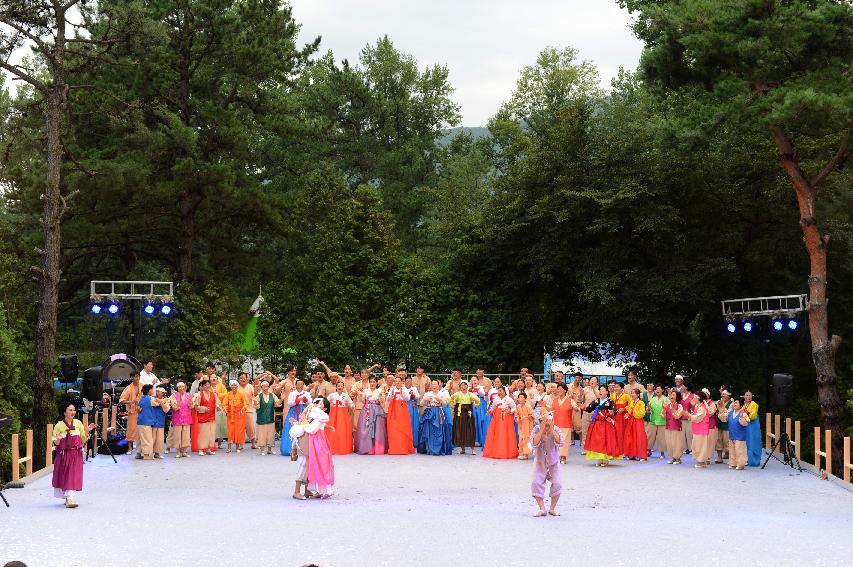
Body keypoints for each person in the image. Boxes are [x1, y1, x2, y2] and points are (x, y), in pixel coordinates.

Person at [52, 402, 97, 508]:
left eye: (74, 410)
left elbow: (83, 438)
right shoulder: (59, 425)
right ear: (64, 412)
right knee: (65, 474)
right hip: (64, 454)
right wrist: (58, 440)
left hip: (76, 453)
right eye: (70, 410)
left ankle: (70, 497)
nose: (73, 412)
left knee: (73, 474)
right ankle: (68, 497)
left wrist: (87, 431)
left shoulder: (78, 423)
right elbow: (55, 442)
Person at [290, 399, 335, 499]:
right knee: (303, 465)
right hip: (305, 442)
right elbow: (309, 427)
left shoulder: (318, 416)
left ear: (324, 408)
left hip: (311, 443)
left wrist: (303, 422)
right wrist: (301, 422)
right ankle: (296, 491)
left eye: (320, 403)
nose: (316, 405)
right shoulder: (313, 415)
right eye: (316, 403)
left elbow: (314, 426)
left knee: (309, 465)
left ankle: (307, 490)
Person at [530, 412, 564, 517]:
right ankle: (542, 509)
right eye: (545, 421)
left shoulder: (556, 429)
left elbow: (561, 442)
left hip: (553, 462)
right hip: (540, 462)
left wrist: (552, 429)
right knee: (535, 483)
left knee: (557, 484)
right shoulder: (536, 429)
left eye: (549, 421)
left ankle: (552, 509)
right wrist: (541, 430)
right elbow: (534, 443)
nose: (547, 423)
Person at [583, 386, 621, 466]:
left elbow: (614, 411)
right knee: (597, 441)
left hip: (606, 424)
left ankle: (605, 459)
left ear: (607, 392)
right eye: (600, 390)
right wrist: (584, 408)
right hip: (597, 424)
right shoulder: (597, 401)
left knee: (606, 441)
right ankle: (599, 459)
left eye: (603, 390)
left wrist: (611, 412)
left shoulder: (610, 401)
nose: (601, 392)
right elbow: (589, 408)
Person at [483, 387, 519, 459]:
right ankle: (496, 451)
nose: (499, 393)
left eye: (500, 391)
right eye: (498, 391)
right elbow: (492, 407)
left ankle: (506, 451)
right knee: (497, 433)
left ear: (505, 392)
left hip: (506, 420)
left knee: (506, 434)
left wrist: (510, 411)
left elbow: (514, 407)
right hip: (497, 420)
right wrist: (490, 411)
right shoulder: (496, 399)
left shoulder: (509, 399)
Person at [418, 380, 451, 455]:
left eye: (435, 384)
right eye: (432, 384)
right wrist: (424, 400)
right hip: (429, 413)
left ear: (438, 385)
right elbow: (421, 404)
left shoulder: (442, 394)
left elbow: (446, 404)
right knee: (428, 430)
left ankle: (439, 448)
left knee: (439, 430)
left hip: (439, 412)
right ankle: (429, 448)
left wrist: (440, 400)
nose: (434, 386)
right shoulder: (428, 394)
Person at [281, 380, 312, 457]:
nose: (300, 385)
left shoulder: (306, 393)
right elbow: (290, 403)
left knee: (304, 429)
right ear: (296, 385)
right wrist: (298, 400)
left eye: (302, 384)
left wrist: (305, 399)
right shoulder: (292, 393)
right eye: (299, 384)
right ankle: (289, 449)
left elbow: (310, 403)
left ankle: (303, 449)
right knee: (291, 427)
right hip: (294, 411)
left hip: (303, 411)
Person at [449, 380, 480, 455]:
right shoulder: (457, 394)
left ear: (467, 386)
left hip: (468, 413)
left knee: (470, 430)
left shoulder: (470, 394)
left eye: (465, 385)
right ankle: (462, 448)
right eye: (462, 385)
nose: (464, 387)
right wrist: (454, 406)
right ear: (460, 386)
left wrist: (475, 401)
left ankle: (473, 449)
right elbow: (450, 400)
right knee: (461, 430)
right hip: (460, 414)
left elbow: (477, 401)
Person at [356, 383, 388, 455]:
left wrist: (380, 397)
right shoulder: (365, 391)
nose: (372, 383)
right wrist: (361, 396)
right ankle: (367, 447)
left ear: (376, 383)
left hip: (377, 411)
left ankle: (377, 447)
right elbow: (363, 401)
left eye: (374, 382)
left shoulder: (379, 391)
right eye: (371, 382)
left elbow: (382, 401)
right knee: (366, 428)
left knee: (378, 429)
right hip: (367, 410)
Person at [386, 374, 415, 454]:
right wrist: (391, 395)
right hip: (393, 410)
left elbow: (408, 399)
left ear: (402, 382)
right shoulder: (392, 389)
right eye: (396, 381)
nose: (397, 382)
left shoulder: (404, 389)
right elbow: (388, 399)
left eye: (399, 381)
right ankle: (394, 448)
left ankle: (403, 448)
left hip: (402, 410)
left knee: (403, 427)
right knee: (393, 428)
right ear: (394, 382)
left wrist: (402, 394)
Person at [192, 379, 220, 456]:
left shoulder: (213, 394)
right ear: (202, 386)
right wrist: (203, 408)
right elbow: (196, 406)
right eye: (205, 385)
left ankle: (208, 448)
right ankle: (201, 449)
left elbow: (218, 403)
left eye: (208, 384)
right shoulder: (199, 395)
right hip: (203, 417)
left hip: (211, 417)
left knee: (211, 433)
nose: (207, 386)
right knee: (203, 434)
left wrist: (218, 407)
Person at [721, 398, 749, 470]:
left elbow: (746, 423)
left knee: (739, 450)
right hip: (732, 434)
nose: (734, 404)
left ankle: (741, 464)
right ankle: (733, 463)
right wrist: (722, 411)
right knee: (732, 450)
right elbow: (723, 419)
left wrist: (741, 419)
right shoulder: (730, 412)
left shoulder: (743, 413)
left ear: (740, 405)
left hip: (740, 435)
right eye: (734, 403)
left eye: (736, 403)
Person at [255, 380, 282, 455]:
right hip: (261, 418)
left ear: (268, 387)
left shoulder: (272, 395)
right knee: (262, 434)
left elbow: (277, 403)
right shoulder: (258, 396)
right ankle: (262, 451)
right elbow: (256, 407)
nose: (265, 388)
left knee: (270, 434)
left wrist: (282, 398)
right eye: (264, 386)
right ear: (261, 387)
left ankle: (269, 450)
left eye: (267, 386)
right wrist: (255, 403)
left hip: (270, 417)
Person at [327, 380, 354, 454]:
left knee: (342, 429)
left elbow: (350, 403)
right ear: (336, 387)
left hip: (343, 413)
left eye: (341, 386)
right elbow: (326, 402)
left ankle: (343, 447)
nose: (340, 387)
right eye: (338, 386)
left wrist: (352, 406)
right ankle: (333, 446)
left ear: (343, 387)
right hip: (334, 413)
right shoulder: (332, 395)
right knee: (333, 428)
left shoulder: (346, 395)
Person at [118, 371, 142, 455]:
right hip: (132, 411)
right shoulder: (128, 388)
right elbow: (121, 400)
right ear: (131, 378)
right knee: (131, 429)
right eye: (134, 376)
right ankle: (129, 447)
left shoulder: (143, 386)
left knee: (143, 429)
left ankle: (141, 448)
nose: (136, 378)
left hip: (142, 411)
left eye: (138, 376)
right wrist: (131, 401)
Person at [222, 380, 249, 453]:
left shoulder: (241, 393)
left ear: (237, 386)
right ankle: (229, 447)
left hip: (239, 414)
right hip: (231, 414)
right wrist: (225, 409)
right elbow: (224, 404)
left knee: (238, 430)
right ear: (230, 386)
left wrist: (243, 408)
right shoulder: (228, 394)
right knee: (230, 430)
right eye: (232, 385)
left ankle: (238, 446)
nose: (234, 386)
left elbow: (246, 403)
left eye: (235, 385)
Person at [622, 386, 648, 461]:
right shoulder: (632, 402)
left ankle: (642, 455)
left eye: (633, 393)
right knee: (631, 437)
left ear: (638, 395)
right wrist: (626, 412)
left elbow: (642, 413)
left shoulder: (641, 403)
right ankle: (632, 454)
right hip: (631, 422)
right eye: (631, 393)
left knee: (639, 437)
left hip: (638, 422)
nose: (632, 395)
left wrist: (632, 412)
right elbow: (628, 409)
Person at [550, 383, 573, 464]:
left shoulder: (570, 400)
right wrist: (543, 405)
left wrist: (577, 408)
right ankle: (556, 457)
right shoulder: (555, 400)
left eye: (560, 388)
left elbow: (576, 407)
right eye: (558, 388)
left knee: (565, 441)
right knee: (555, 440)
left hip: (566, 423)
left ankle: (563, 457)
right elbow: (550, 410)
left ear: (565, 390)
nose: (559, 390)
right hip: (556, 423)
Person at [169, 382, 192, 457]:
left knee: (186, 435)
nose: (181, 388)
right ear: (177, 388)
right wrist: (178, 404)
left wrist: (191, 401)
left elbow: (191, 406)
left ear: (185, 387)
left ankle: (184, 451)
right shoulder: (174, 395)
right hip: (177, 417)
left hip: (186, 417)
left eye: (183, 386)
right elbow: (174, 407)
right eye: (179, 387)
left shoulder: (188, 395)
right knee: (178, 435)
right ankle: (178, 451)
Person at [688, 391, 711, 468]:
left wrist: (687, 414)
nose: (693, 398)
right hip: (697, 429)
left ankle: (702, 461)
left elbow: (697, 418)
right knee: (697, 445)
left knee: (701, 446)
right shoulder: (698, 406)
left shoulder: (702, 407)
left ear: (698, 398)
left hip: (702, 430)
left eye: (694, 397)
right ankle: (700, 460)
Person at [646, 384, 667, 459]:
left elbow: (667, 409)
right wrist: (648, 408)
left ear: (662, 390)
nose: (657, 390)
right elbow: (649, 410)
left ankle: (662, 453)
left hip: (662, 421)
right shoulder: (653, 398)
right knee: (649, 436)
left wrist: (665, 410)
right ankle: (648, 450)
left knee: (661, 437)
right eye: (656, 389)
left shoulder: (666, 399)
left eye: (659, 389)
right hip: (653, 420)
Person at [610, 381, 631, 455]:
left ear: (622, 389)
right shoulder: (613, 395)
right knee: (614, 433)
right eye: (615, 387)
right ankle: (616, 450)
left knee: (622, 433)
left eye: (617, 387)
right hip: (614, 416)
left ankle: (624, 451)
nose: (615, 388)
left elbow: (632, 404)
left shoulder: (626, 396)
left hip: (622, 418)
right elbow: (610, 404)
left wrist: (624, 408)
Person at [664, 389, 685, 465]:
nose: (671, 396)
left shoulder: (679, 406)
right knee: (669, 443)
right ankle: (673, 457)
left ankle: (678, 458)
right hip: (668, 426)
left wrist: (670, 408)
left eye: (673, 395)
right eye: (671, 395)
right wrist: (664, 410)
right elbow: (663, 415)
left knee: (676, 443)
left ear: (677, 397)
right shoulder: (668, 405)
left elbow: (677, 416)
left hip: (676, 427)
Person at [237, 373, 257, 449]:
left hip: (249, 410)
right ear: (238, 379)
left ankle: (253, 443)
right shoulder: (237, 387)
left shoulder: (250, 386)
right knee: (240, 427)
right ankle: (240, 444)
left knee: (250, 427)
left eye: (244, 377)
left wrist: (254, 400)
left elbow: (253, 396)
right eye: (241, 378)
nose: (243, 379)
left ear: (247, 378)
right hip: (239, 411)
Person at [580, 376, 599, 452]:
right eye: (591, 380)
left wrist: (594, 390)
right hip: (586, 412)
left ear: (597, 382)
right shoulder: (585, 389)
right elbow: (581, 399)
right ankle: (585, 448)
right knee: (585, 430)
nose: (592, 381)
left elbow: (599, 399)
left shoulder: (599, 390)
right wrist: (580, 395)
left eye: (594, 380)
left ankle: (594, 448)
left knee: (595, 431)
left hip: (595, 413)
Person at [743, 390, 762, 466]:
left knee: (753, 441)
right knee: (746, 442)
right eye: (746, 395)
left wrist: (744, 415)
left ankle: (753, 461)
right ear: (744, 396)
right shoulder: (744, 405)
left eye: (749, 395)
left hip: (753, 426)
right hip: (746, 425)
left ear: (752, 396)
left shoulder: (754, 404)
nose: (748, 397)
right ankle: (746, 459)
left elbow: (753, 416)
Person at [150, 387, 169, 459]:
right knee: (152, 438)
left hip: (161, 421)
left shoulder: (166, 400)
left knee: (159, 439)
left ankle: (157, 453)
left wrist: (161, 402)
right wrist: (161, 402)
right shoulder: (152, 398)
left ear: (163, 393)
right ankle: (150, 453)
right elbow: (153, 404)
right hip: (153, 421)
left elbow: (166, 409)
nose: (157, 392)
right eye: (157, 391)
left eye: (159, 391)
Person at [211, 373, 229, 449]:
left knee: (220, 425)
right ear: (209, 379)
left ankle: (219, 443)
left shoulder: (221, 386)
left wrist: (218, 394)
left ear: (217, 379)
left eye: (215, 377)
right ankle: (211, 443)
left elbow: (226, 394)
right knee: (212, 426)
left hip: (220, 407)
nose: (213, 379)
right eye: (212, 378)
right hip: (211, 408)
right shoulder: (208, 387)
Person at [515, 392, 534, 460]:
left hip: (527, 424)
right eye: (519, 397)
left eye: (522, 397)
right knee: (521, 439)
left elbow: (532, 415)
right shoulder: (518, 407)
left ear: (525, 399)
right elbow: (516, 415)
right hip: (521, 425)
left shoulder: (528, 406)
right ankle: (522, 452)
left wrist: (529, 416)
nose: (520, 399)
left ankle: (526, 454)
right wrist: (518, 419)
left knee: (526, 438)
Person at [469, 376, 488, 447]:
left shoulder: (480, 387)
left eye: (475, 380)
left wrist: (475, 389)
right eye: (472, 380)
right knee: (473, 422)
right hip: (472, 406)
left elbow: (482, 394)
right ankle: (472, 440)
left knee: (481, 421)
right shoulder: (469, 389)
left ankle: (482, 440)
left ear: (478, 381)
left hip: (480, 405)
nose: (474, 381)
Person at [715, 390, 733, 463]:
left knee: (727, 442)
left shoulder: (732, 404)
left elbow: (727, 415)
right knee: (718, 441)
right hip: (719, 424)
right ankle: (719, 458)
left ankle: (731, 459)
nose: (723, 396)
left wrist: (721, 410)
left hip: (727, 425)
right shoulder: (719, 402)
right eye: (722, 394)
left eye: (724, 394)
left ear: (729, 395)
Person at [404, 375, 420, 447]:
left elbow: (418, 396)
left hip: (413, 406)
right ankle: (405, 442)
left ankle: (414, 442)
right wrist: (408, 394)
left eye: (409, 381)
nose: (408, 382)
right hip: (405, 406)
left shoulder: (414, 388)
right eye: (407, 381)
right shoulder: (402, 388)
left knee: (414, 423)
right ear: (404, 382)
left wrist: (413, 395)